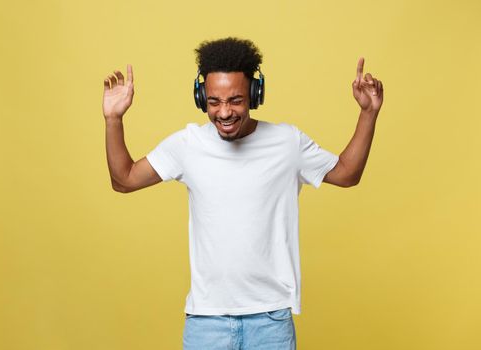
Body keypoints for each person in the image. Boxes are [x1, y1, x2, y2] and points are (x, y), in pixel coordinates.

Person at [102, 37, 383, 350]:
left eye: (235, 100)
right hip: (206, 323)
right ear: (201, 98)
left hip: (270, 322)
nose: (224, 112)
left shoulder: (287, 143)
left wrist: (368, 113)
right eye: (213, 102)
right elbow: (124, 180)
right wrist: (113, 119)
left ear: (254, 94)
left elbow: (347, 173)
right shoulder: (187, 145)